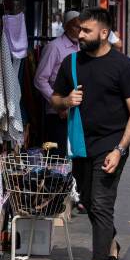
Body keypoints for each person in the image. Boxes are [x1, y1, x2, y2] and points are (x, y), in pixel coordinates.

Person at [51, 7, 130, 260]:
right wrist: (66, 100)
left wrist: (120, 149)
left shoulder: (124, 66)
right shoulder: (72, 63)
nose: (80, 35)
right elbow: (55, 101)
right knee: (88, 202)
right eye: (79, 29)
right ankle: (111, 245)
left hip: (111, 144)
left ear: (103, 33)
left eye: (86, 30)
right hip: (80, 145)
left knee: (102, 204)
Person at [34, 10, 80, 155]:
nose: (80, 30)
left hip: (76, 113)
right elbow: (40, 79)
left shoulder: (81, 47)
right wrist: (58, 104)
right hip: (57, 114)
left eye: (82, 27)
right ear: (66, 27)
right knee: (58, 157)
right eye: (76, 26)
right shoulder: (54, 47)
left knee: (75, 156)